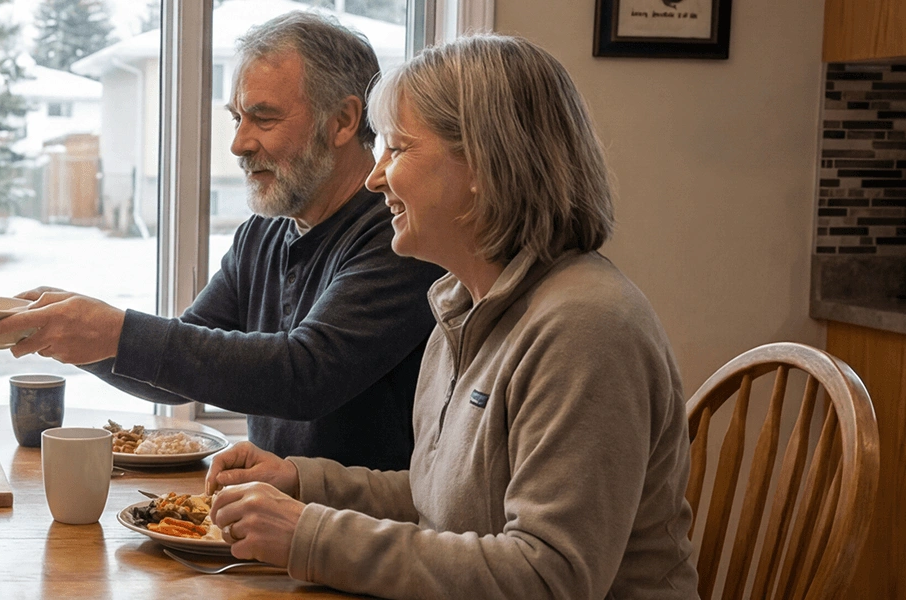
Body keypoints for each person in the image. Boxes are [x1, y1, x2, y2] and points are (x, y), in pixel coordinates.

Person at [202, 35, 699, 599]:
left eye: (397, 150)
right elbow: (439, 500)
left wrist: (309, 535)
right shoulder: (461, 303)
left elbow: (549, 577)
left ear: (485, 164)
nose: (375, 177)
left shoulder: (587, 327)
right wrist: (301, 481)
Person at [0, 12, 443, 471]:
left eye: (263, 118)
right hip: (265, 508)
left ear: (343, 121)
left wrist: (113, 332)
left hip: (353, 516)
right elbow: (179, 371)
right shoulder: (263, 232)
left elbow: (306, 374)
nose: (239, 143)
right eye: (237, 118)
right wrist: (64, 330)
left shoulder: (401, 236)